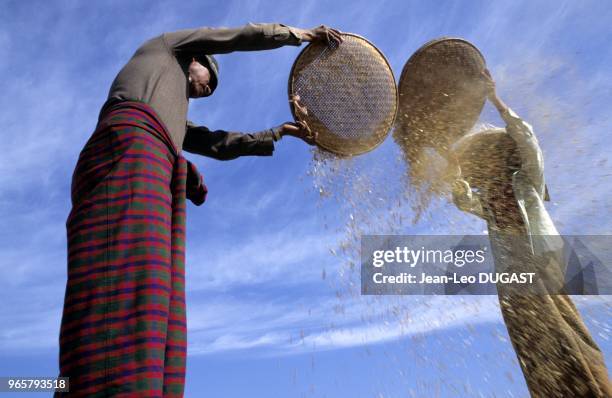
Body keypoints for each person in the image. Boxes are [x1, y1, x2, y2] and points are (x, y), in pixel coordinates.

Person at [56, 23, 342, 397]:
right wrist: (299, 35)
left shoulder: (173, 117)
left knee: (152, 296)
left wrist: (279, 133)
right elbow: (235, 37)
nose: (208, 89)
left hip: (150, 163)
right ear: (196, 58)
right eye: (211, 79)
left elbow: (216, 143)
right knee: (117, 278)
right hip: (125, 153)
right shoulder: (163, 49)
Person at [449, 69, 612, 397]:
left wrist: (496, 101)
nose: (490, 171)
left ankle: (593, 390)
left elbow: (528, 140)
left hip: (540, 259)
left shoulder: (528, 181)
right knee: (532, 345)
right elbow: (463, 198)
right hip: (511, 276)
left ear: (503, 159)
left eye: (492, 161)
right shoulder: (488, 201)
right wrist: (453, 170)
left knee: (562, 328)